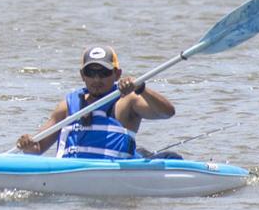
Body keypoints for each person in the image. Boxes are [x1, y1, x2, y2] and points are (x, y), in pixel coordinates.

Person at [16, 45, 175, 159]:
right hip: (71, 173)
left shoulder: (127, 100)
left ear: (117, 74)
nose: (96, 79)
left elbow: (167, 113)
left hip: (114, 174)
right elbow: (37, 148)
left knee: (171, 157)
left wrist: (142, 89)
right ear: (82, 75)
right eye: (90, 73)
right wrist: (28, 144)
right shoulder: (68, 104)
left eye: (104, 72)